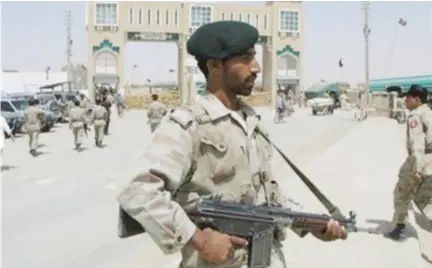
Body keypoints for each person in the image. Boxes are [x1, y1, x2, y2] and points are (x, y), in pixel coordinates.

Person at [117, 21, 347, 268]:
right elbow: (138, 191)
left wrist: (310, 224)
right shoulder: (189, 125)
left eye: (254, 57)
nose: (257, 67)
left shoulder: (252, 124)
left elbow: (267, 198)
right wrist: (199, 239)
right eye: (246, 58)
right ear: (215, 65)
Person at [386, 84, 432, 240]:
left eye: (408, 97)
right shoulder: (429, 112)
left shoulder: (415, 116)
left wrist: (418, 169)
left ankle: (399, 227)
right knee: (425, 199)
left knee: (401, 193)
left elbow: (417, 144)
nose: (405, 100)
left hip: (421, 161)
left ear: (416, 99)